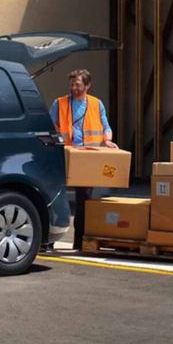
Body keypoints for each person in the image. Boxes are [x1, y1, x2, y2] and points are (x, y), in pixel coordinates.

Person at [50, 69, 118, 250]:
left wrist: (108, 140)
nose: (73, 87)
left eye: (78, 84)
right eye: (71, 84)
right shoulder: (60, 103)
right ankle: (48, 241)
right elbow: (50, 128)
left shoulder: (96, 104)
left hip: (87, 157)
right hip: (64, 155)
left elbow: (106, 126)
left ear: (87, 85)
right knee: (54, 196)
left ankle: (79, 241)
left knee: (84, 199)